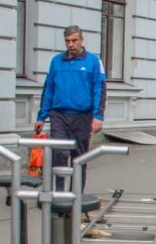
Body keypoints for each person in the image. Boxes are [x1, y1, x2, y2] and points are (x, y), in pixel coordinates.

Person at [34, 26, 106, 191]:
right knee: (60, 153)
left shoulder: (94, 61)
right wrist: (41, 116)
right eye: (67, 41)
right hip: (59, 115)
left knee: (79, 158)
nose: (71, 44)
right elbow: (49, 89)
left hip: (82, 116)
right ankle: (59, 194)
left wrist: (98, 116)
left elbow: (99, 90)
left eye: (74, 40)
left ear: (81, 40)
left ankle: (76, 196)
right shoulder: (56, 61)